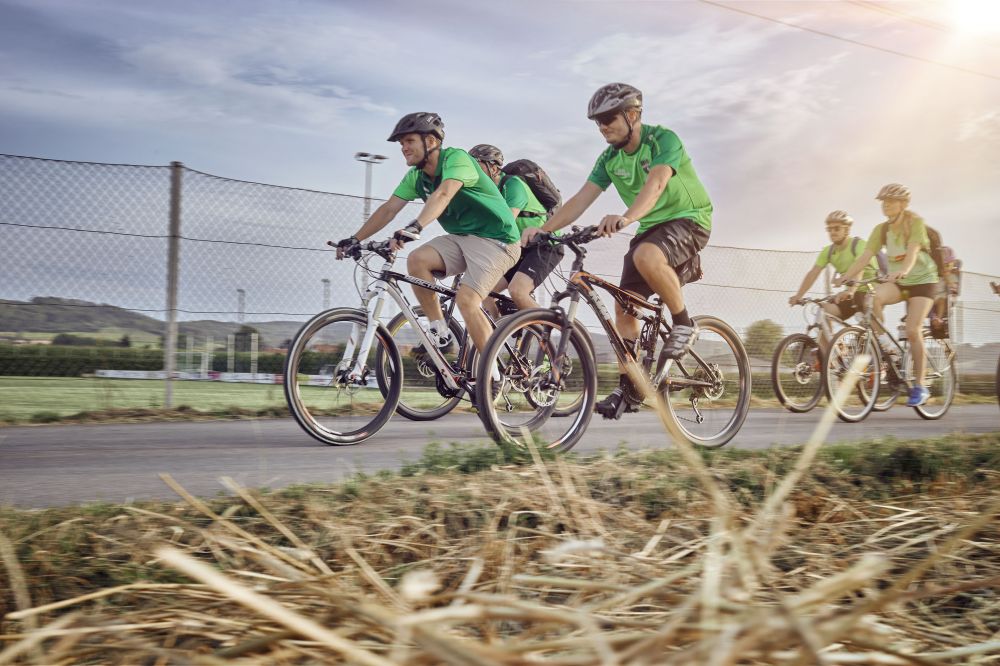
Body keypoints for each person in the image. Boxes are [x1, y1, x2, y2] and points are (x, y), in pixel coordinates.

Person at [521, 83, 713, 419]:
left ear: (634, 114)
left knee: (646, 255)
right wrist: (545, 229)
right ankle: (630, 389)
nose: (603, 126)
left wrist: (626, 217)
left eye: (609, 118)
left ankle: (685, 323)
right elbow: (581, 199)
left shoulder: (662, 140)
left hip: (690, 219)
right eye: (598, 121)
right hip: (650, 227)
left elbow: (655, 185)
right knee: (624, 308)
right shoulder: (610, 159)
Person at [332, 112, 521, 389]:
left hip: (497, 240)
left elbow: (444, 193)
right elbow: (389, 209)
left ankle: (492, 377)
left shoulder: (457, 159)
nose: (403, 148)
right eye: (401, 144)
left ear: (431, 140)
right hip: (462, 237)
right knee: (418, 259)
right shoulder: (416, 176)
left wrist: (416, 226)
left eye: (409, 141)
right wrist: (354, 238)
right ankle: (440, 332)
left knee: (468, 301)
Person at [835, 183, 939, 407]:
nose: (886, 205)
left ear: (903, 204)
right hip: (899, 281)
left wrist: (904, 270)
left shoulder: (915, 223)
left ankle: (920, 386)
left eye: (890, 201)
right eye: (883, 201)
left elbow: (912, 252)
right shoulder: (881, 230)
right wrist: (847, 277)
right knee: (872, 300)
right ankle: (888, 348)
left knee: (913, 330)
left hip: (924, 281)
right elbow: (864, 257)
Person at [468, 144, 565, 317]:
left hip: (545, 245)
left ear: (493, 166)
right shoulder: (490, 192)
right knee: (484, 291)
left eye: (477, 164)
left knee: (518, 291)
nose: (473, 169)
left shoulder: (513, 185)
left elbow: (505, 222)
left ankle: (546, 336)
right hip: (521, 247)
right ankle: (497, 336)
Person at [788, 210, 880, 347]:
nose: (832, 232)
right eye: (829, 229)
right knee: (823, 314)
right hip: (849, 294)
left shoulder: (858, 244)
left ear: (847, 229)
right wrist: (799, 295)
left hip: (870, 290)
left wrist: (851, 290)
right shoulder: (828, 251)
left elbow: (859, 267)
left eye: (837, 228)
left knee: (872, 329)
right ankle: (831, 360)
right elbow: (813, 272)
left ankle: (888, 348)